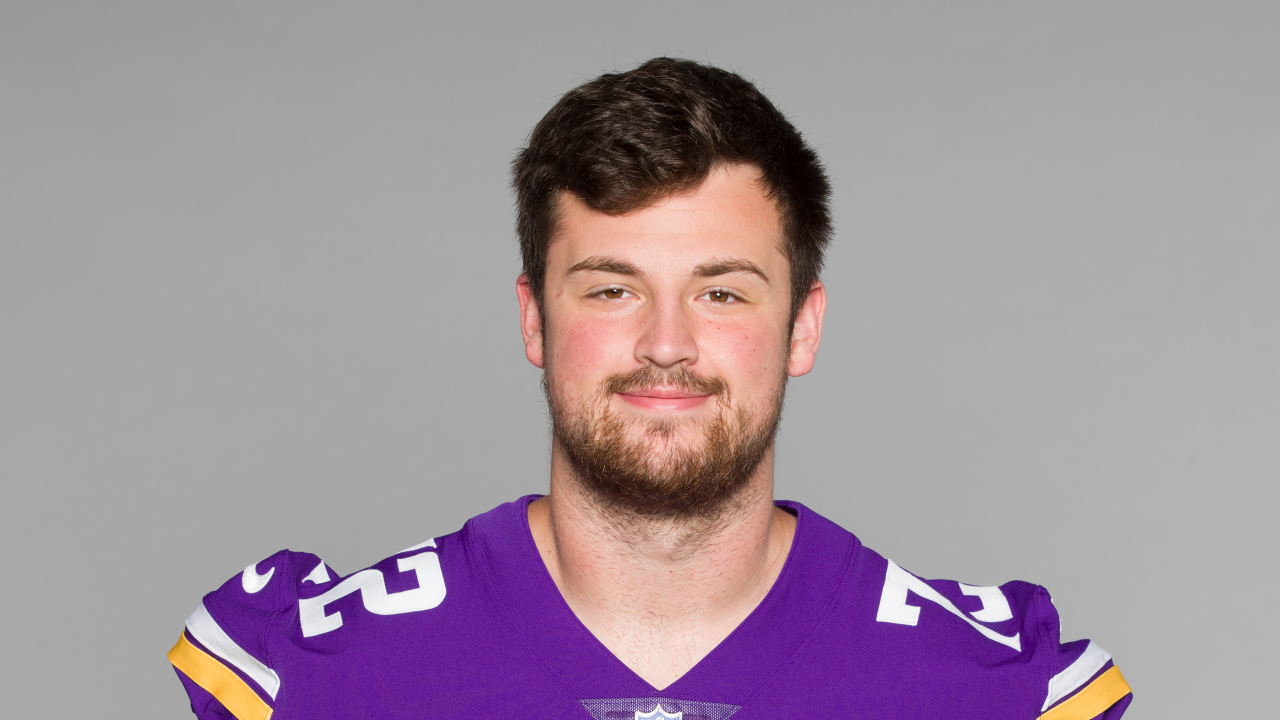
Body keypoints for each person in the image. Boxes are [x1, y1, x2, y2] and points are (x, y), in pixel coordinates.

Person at [167, 58, 1132, 720]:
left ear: (803, 324)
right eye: (613, 287)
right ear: (534, 319)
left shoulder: (983, 685)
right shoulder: (321, 672)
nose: (666, 344)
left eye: (720, 291)